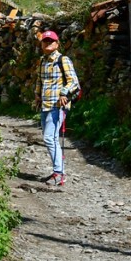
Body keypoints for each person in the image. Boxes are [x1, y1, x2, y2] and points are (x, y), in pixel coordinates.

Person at [34, 30, 78, 189]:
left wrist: (64, 93)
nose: (47, 44)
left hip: (58, 106)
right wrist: (37, 96)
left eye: (50, 41)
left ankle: (59, 173)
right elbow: (40, 80)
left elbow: (73, 82)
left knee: (49, 138)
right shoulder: (42, 61)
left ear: (57, 44)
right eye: (45, 41)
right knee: (50, 138)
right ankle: (58, 172)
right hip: (45, 105)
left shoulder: (63, 60)